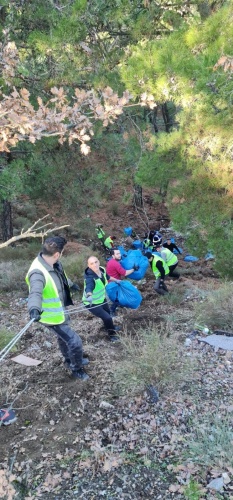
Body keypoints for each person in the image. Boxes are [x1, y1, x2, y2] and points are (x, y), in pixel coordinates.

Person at [26, 236, 89, 381]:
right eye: (62, 252)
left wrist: (71, 284)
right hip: (51, 316)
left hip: (60, 310)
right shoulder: (37, 272)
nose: (62, 254)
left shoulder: (53, 263)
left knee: (63, 338)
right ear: (56, 254)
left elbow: (61, 276)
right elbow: (35, 292)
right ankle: (76, 369)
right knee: (75, 342)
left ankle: (69, 360)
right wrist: (34, 309)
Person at [82, 256, 121, 342]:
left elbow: (107, 277)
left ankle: (109, 327)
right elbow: (89, 287)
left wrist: (117, 280)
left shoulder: (102, 269)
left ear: (99, 262)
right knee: (107, 318)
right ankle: (112, 336)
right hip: (91, 303)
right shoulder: (90, 277)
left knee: (107, 314)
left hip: (101, 299)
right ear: (88, 266)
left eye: (96, 262)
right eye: (92, 263)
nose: (95, 265)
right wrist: (89, 295)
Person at [106, 247, 139, 316]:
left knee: (119, 296)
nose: (119, 255)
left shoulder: (112, 261)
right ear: (113, 256)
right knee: (117, 298)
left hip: (114, 282)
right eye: (117, 254)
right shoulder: (115, 263)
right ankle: (112, 311)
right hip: (113, 284)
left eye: (119, 253)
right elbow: (124, 273)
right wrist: (133, 269)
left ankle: (120, 304)